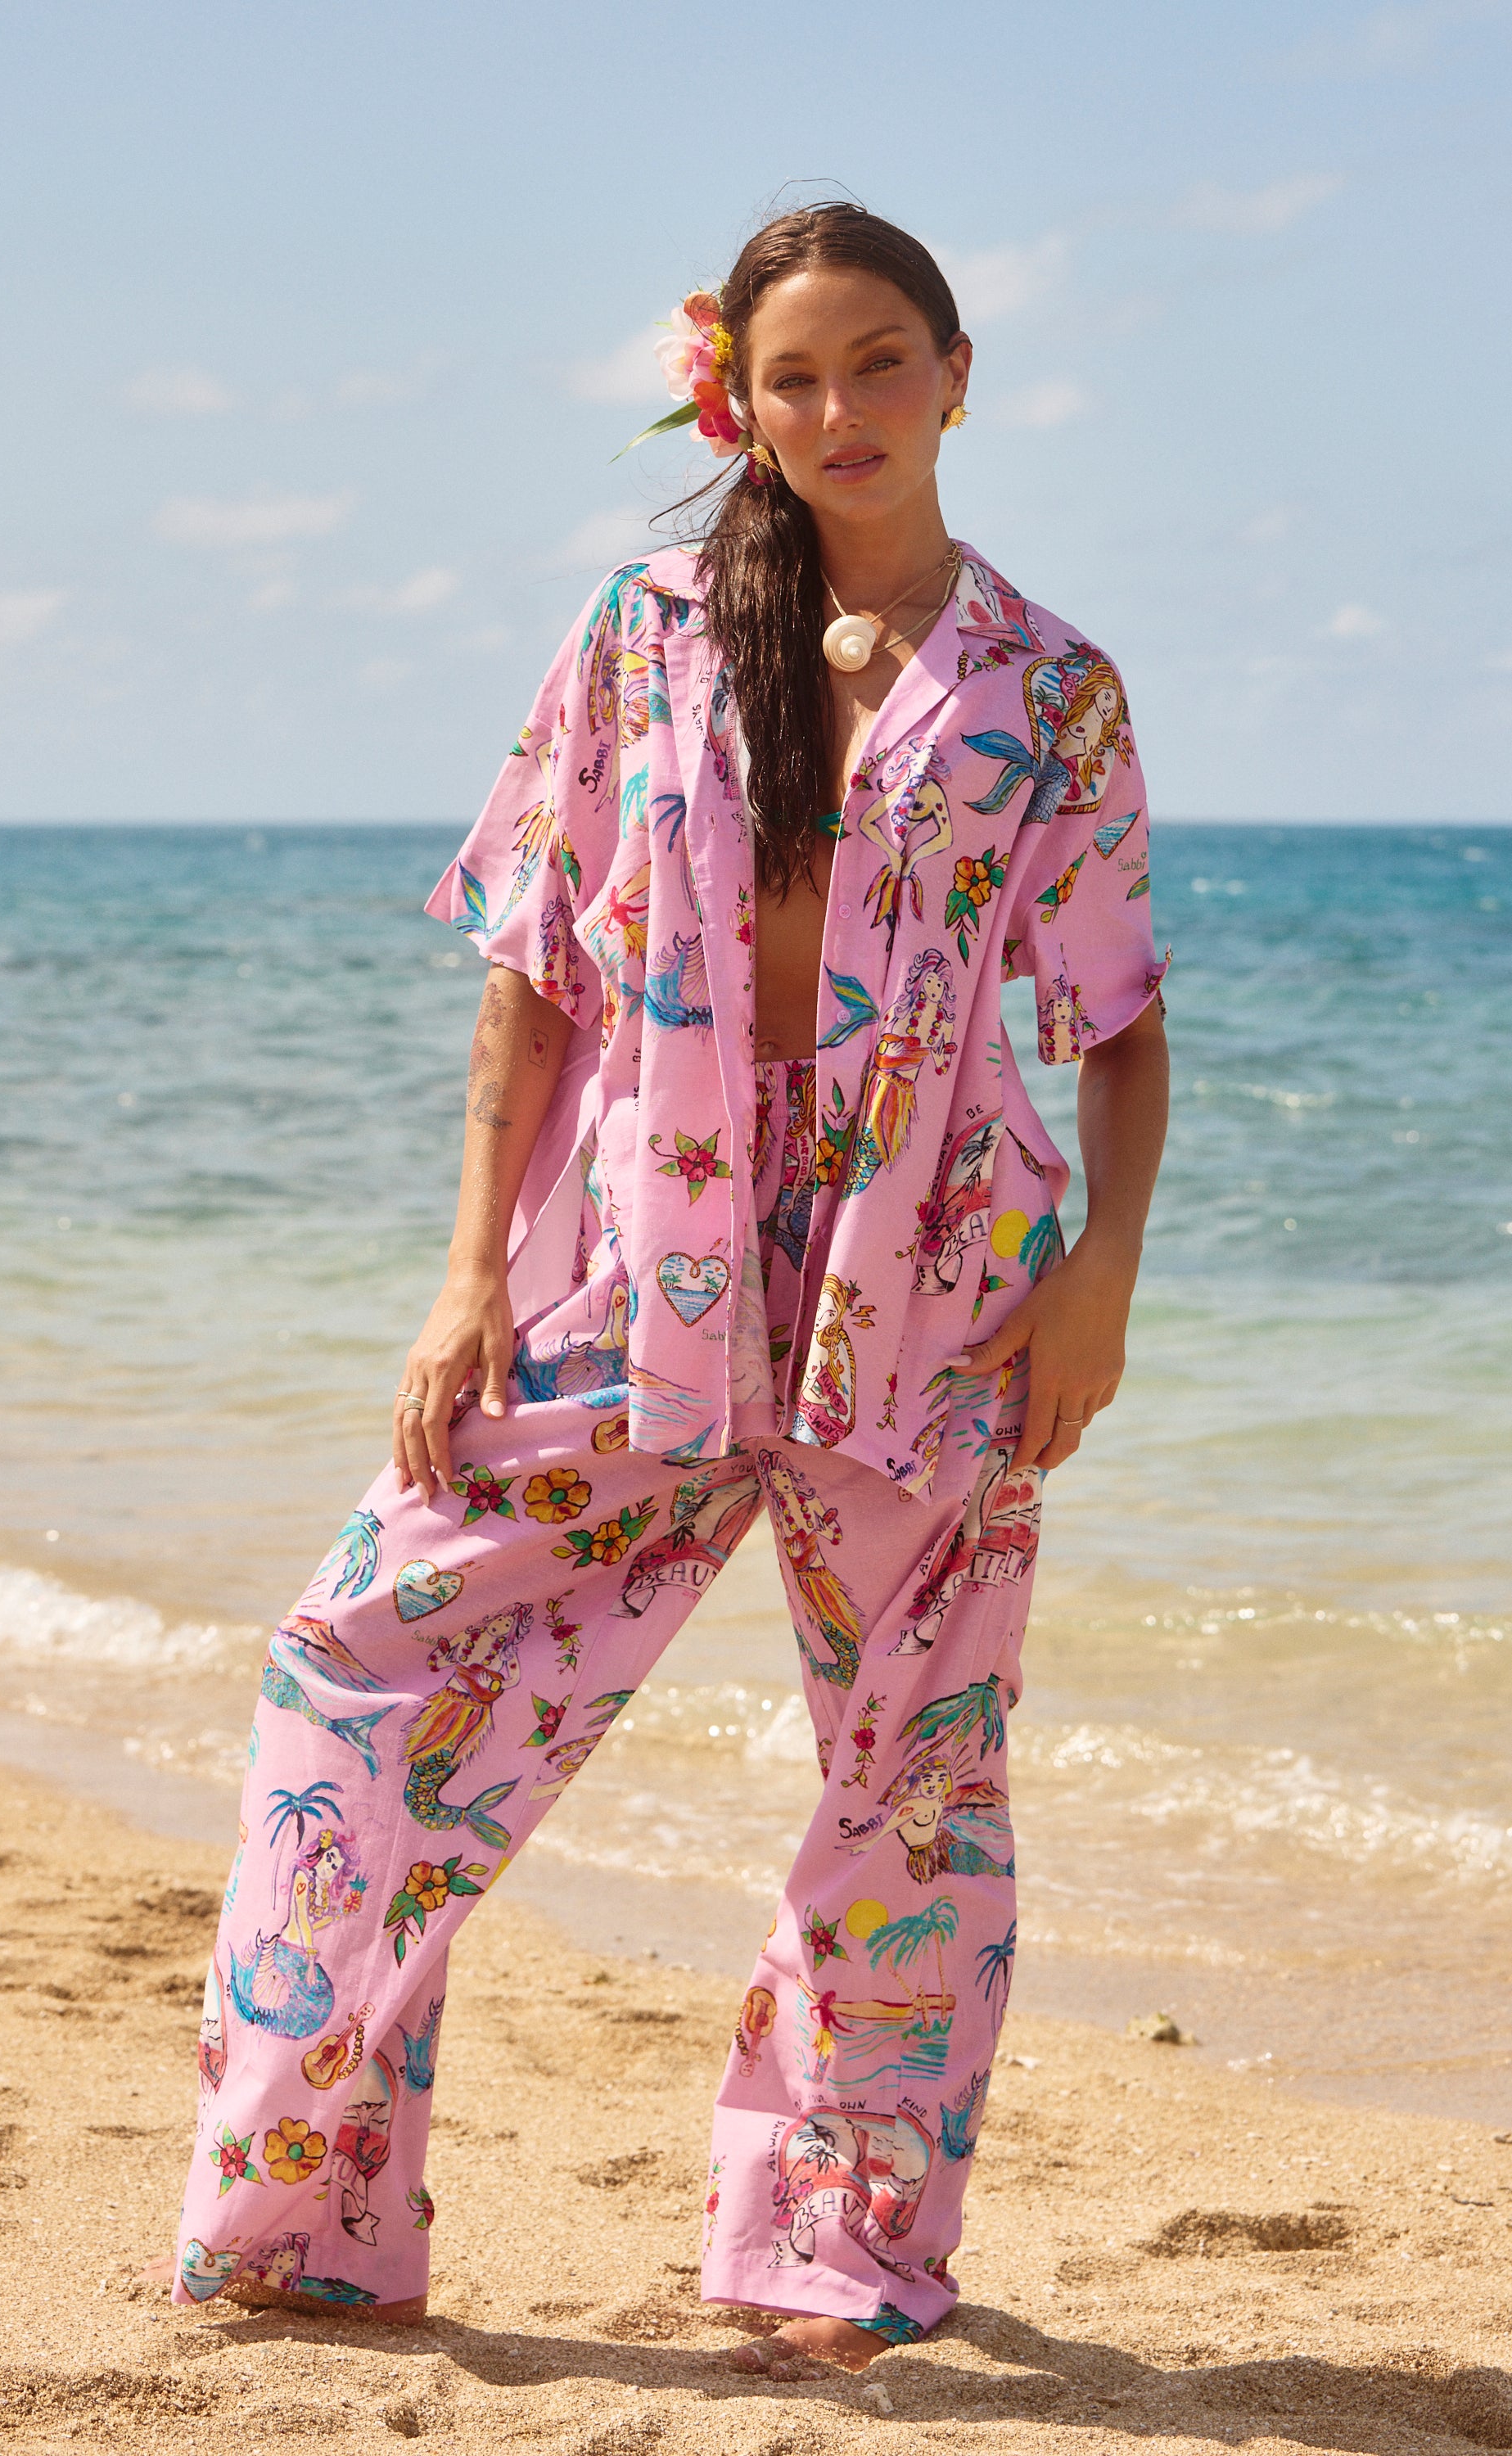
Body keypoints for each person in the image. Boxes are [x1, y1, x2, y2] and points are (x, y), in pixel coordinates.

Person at [165, 201, 1169, 2372]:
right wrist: (466, 1280)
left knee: (914, 1775)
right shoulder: (649, 632)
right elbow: (537, 968)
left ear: (959, 375)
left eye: (881, 362)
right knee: (355, 1660)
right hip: (646, 1267)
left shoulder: (1049, 689)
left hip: (939, 1291)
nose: (841, 410)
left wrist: (1102, 1268)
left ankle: (839, 2251)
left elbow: (1114, 1016)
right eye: (796, 375)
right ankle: (305, 2213)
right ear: (740, 398)